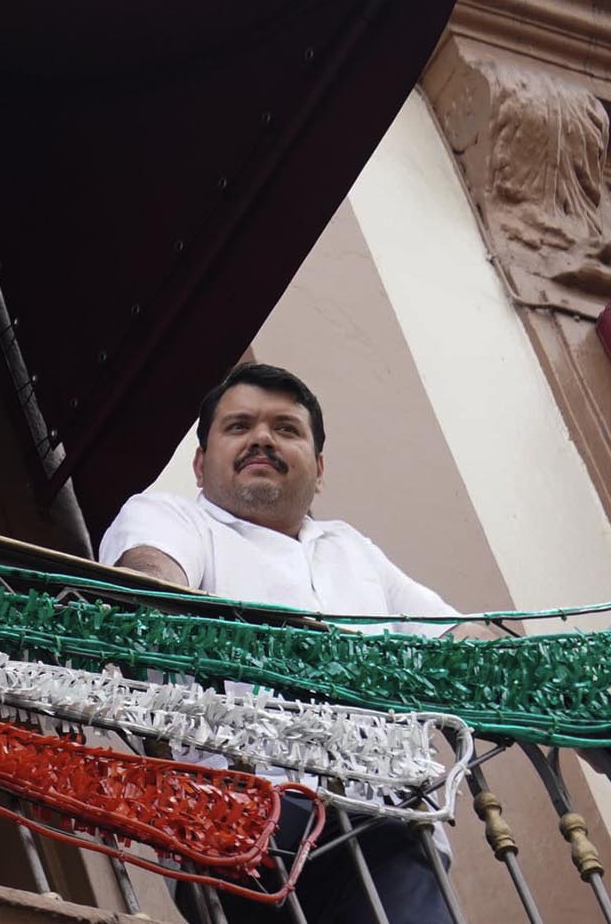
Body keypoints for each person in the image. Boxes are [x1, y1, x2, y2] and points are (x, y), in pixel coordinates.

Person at [100, 361, 461, 924]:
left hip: (385, 819)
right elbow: (150, 579)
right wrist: (161, 596)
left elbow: (462, 646)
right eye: (239, 426)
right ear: (200, 463)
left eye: (286, 429)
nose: (262, 438)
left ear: (318, 470)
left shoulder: (351, 547)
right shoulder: (171, 516)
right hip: (239, 818)